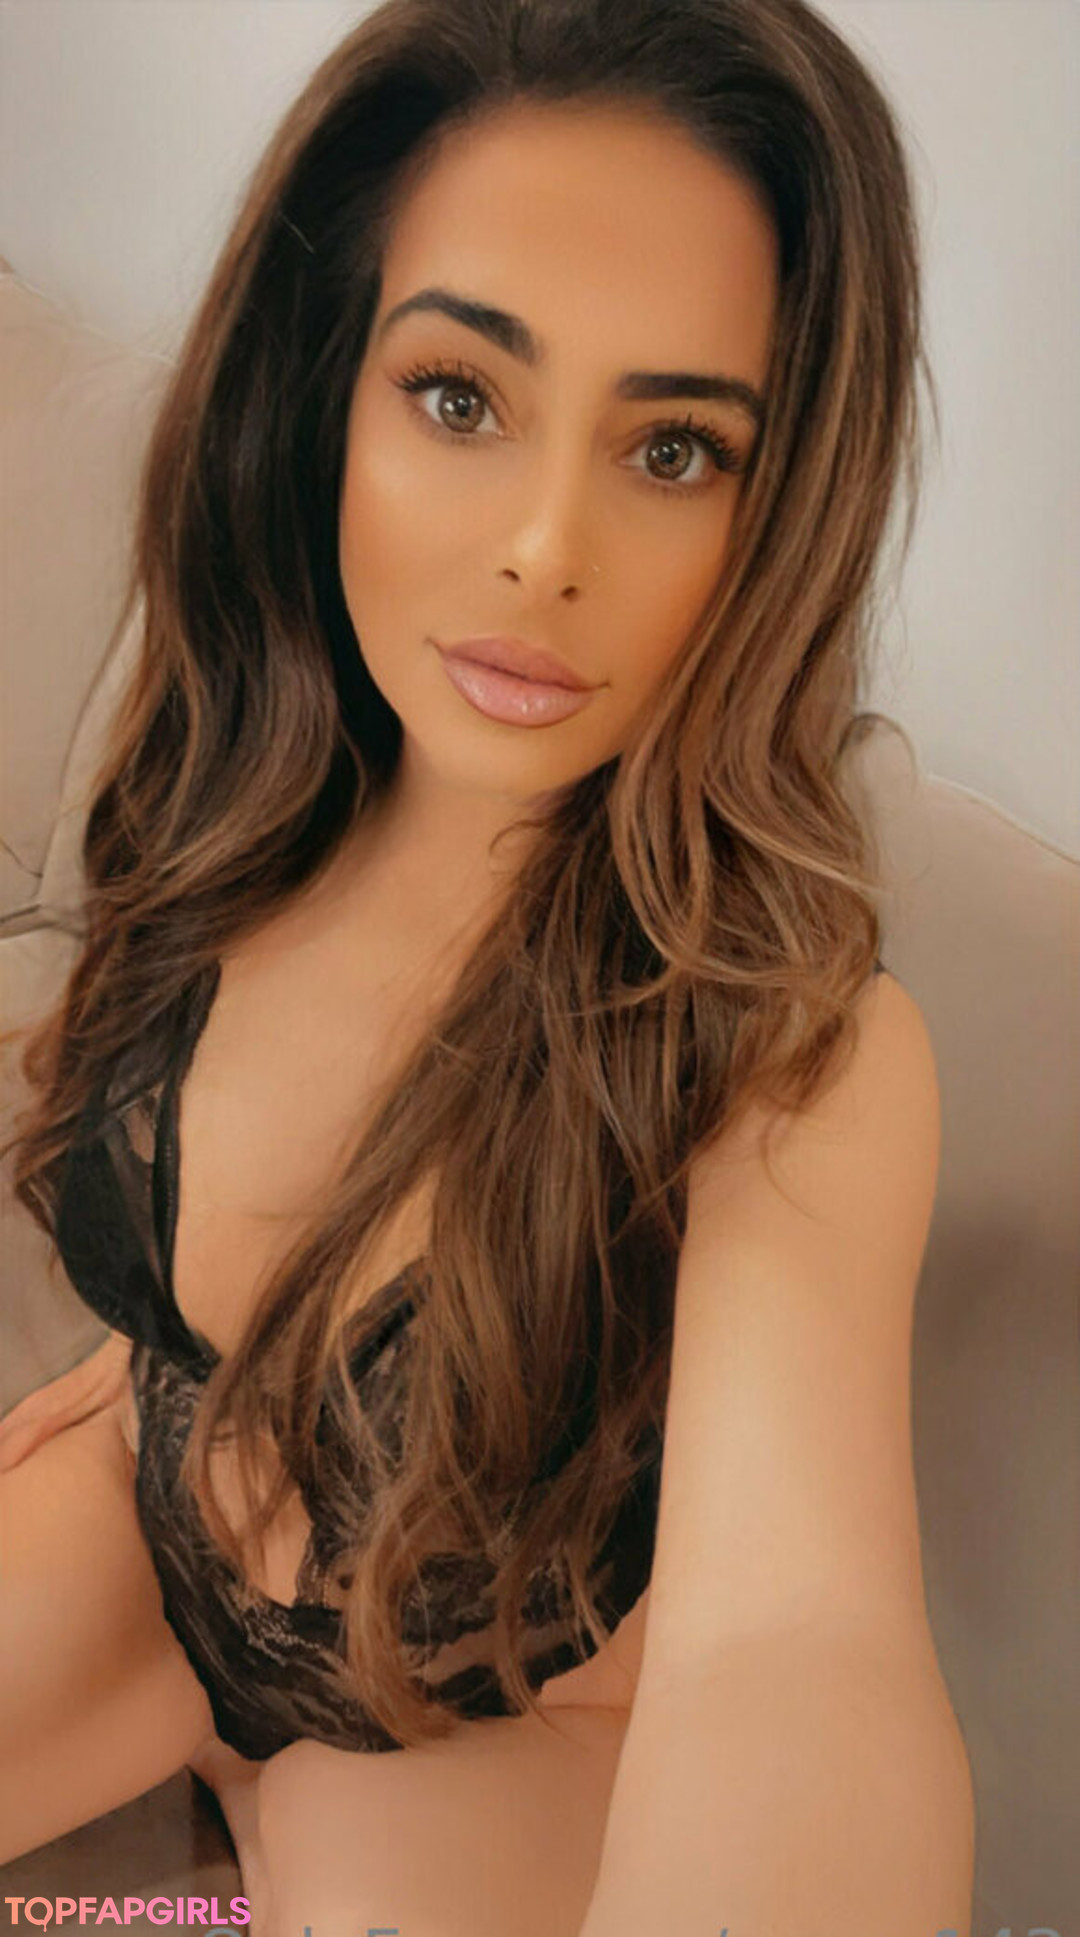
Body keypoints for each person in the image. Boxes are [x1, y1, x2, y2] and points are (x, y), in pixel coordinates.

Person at [0, 0, 976, 1929]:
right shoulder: (244, 789)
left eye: (675, 448)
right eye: (460, 397)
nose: (544, 548)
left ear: (781, 508)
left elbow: (795, 1655)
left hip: (472, 1732)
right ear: (327, 389)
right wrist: (144, 1368)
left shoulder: (796, 1054)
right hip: (157, 1551)